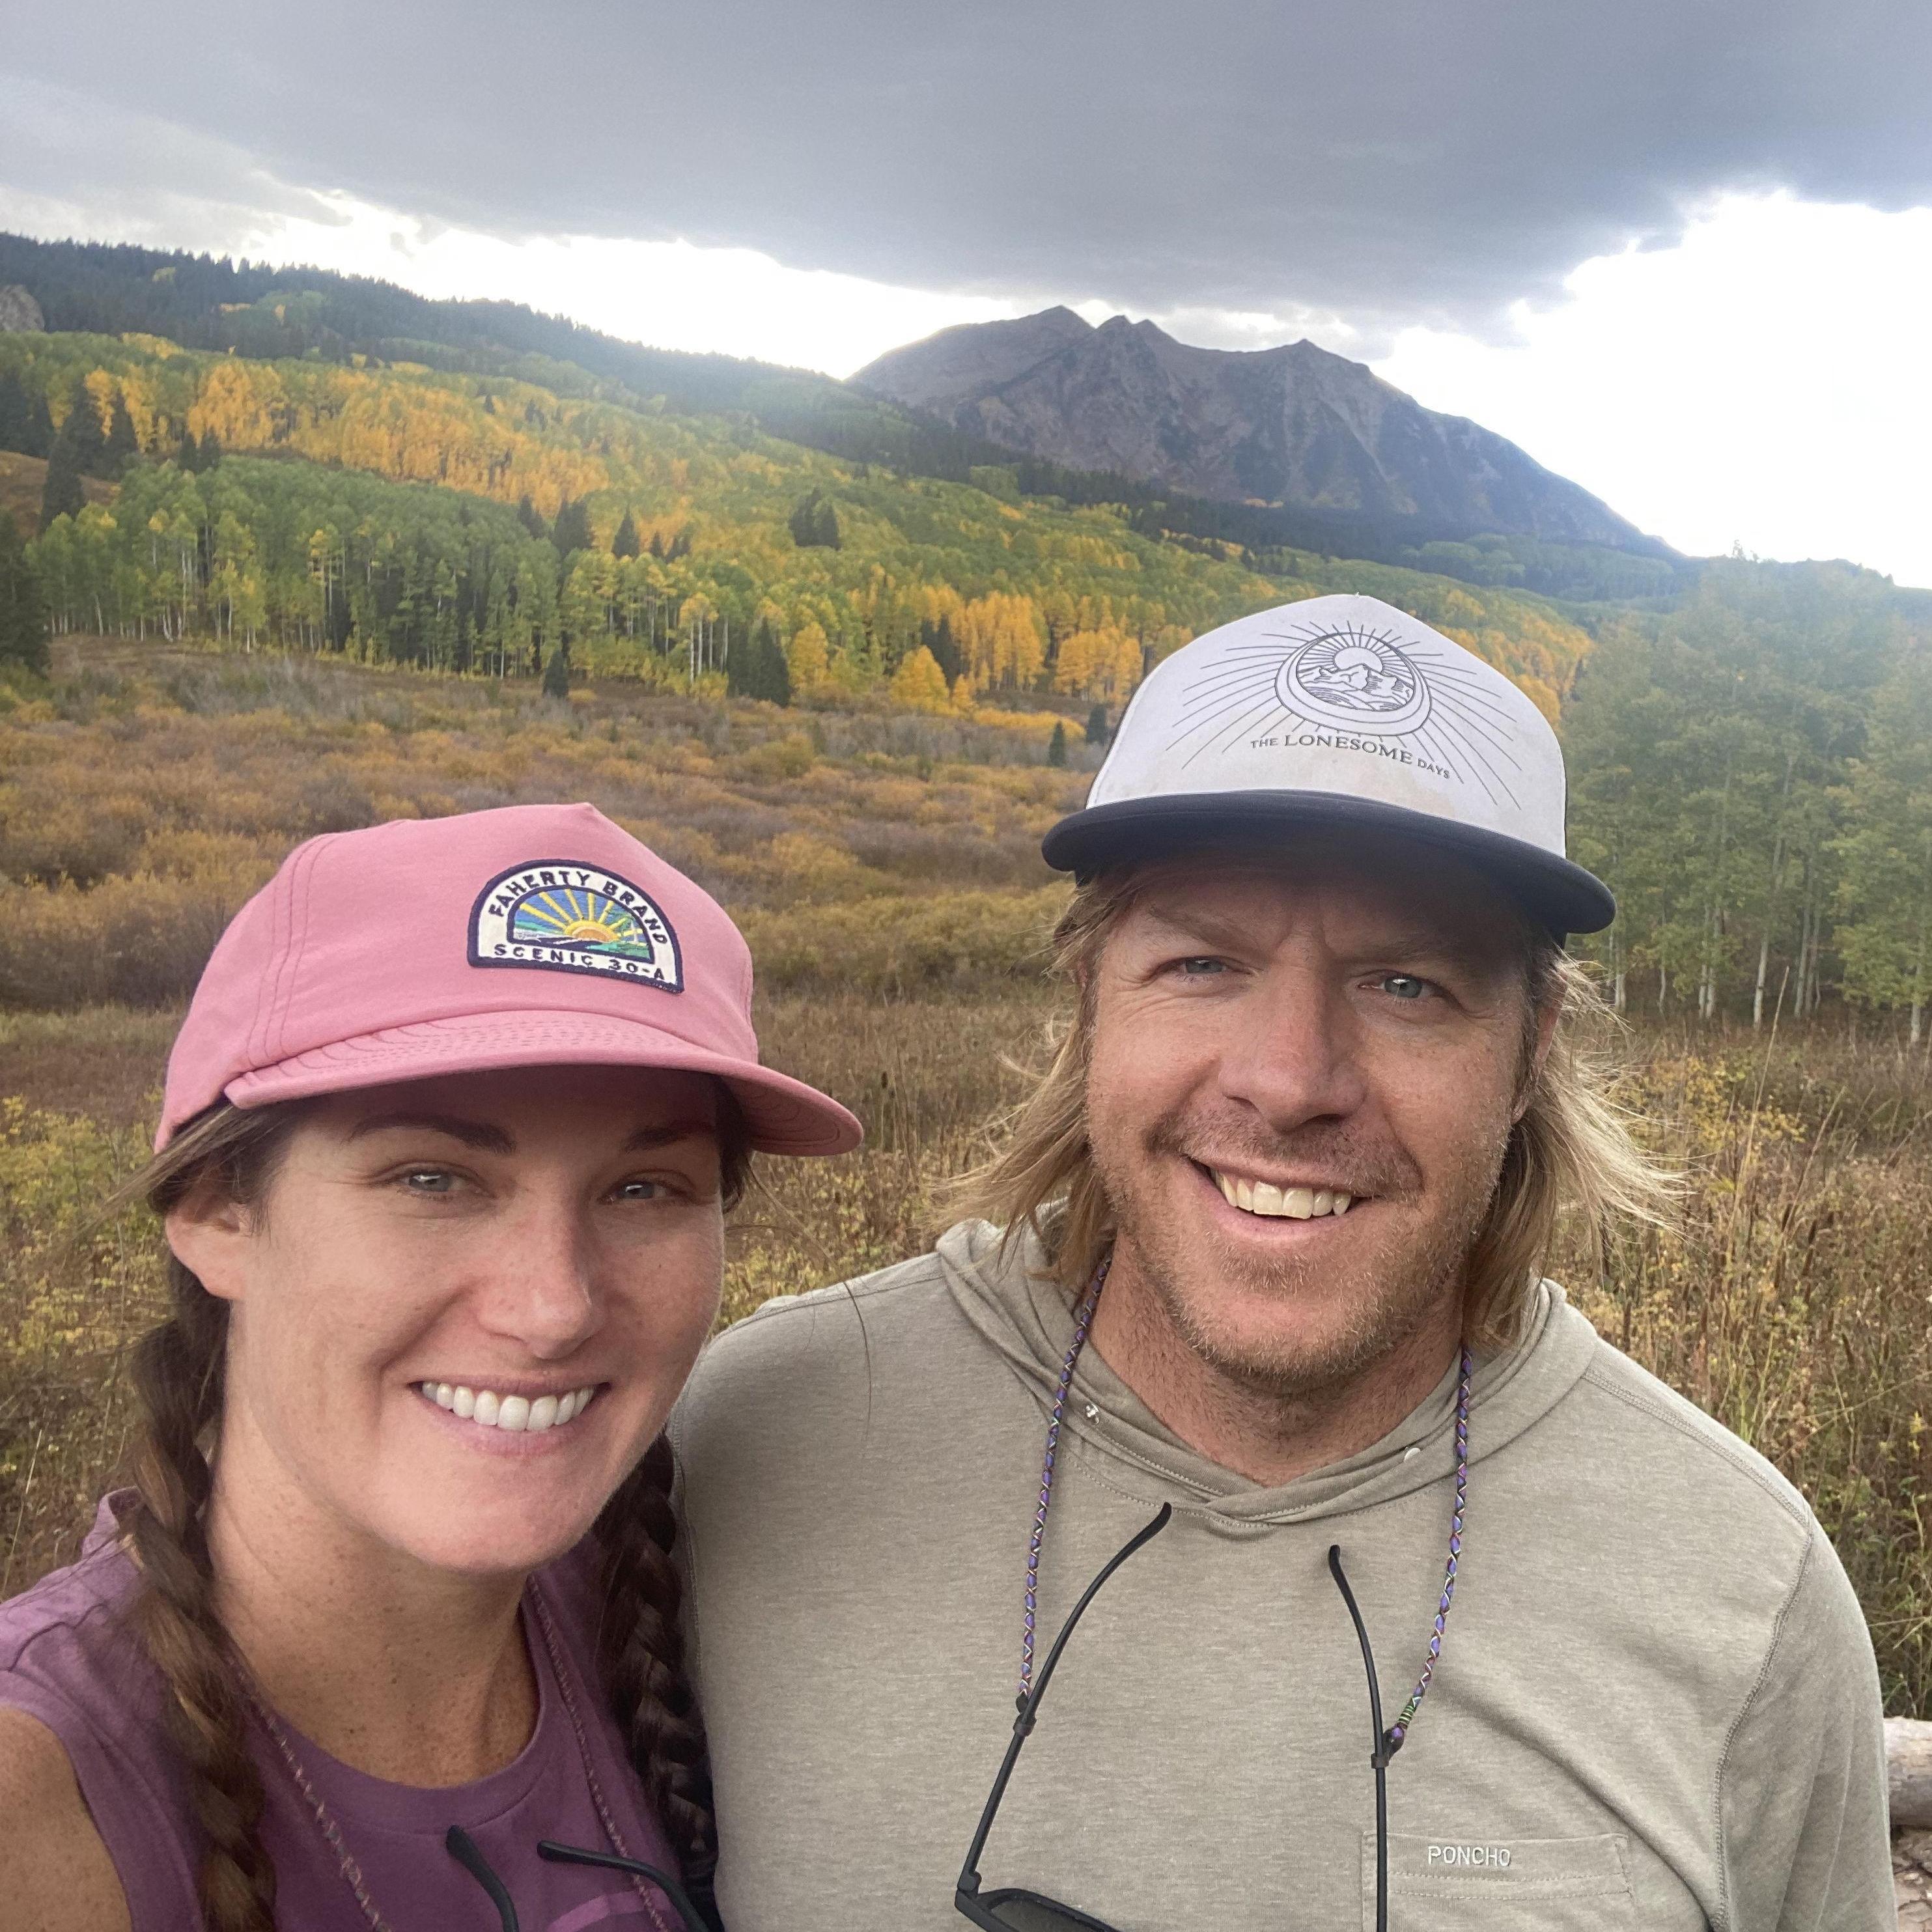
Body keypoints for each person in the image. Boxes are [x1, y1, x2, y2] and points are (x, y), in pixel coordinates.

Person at [671, 594, 1893, 1931]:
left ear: (1532, 1042)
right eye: (1201, 960)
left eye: (1406, 983)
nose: (1289, 1077)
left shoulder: (1735, 1585)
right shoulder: (758, 1436)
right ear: (1086, 994)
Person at [0, 802, 860, 1932]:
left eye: (643, 1189)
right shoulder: (45, 1808)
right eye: (432, 1179)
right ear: (215, 1212)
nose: (554, 1308)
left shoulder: (698, 1631)